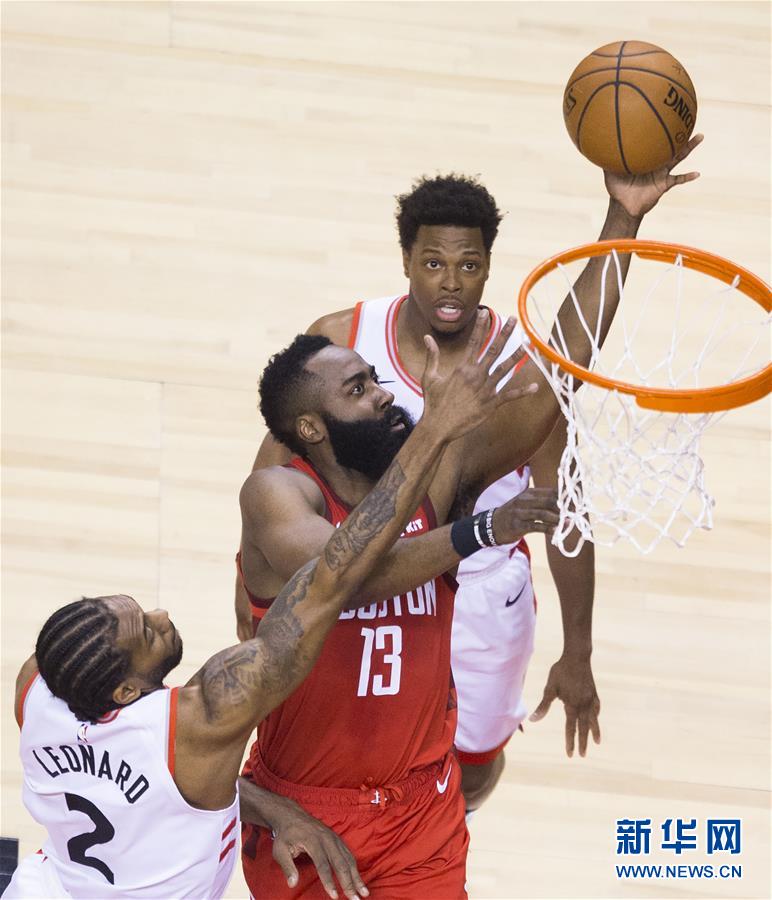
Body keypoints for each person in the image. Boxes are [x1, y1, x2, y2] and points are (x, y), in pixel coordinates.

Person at [237, 133, 701, 900]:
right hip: (309, 809)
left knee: (478, 759)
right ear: (311, 428)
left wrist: (623, 220)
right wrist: (468, 510)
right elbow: (349, 576)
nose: (384, 392)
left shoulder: (441, 479)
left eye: (375, 380)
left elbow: (556, 374)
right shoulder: (277, 500)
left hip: (419, 811)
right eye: (360, 389)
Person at [4, 328, 526, 900]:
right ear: (124, 692)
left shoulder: (44, 690)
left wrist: (275, 810)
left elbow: (172, 771)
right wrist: (439, 445)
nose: (161, 614)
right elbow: (331, 581)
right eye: (146, 632)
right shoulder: (163, 710)